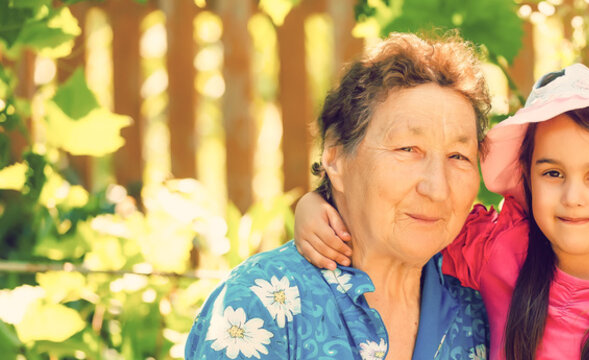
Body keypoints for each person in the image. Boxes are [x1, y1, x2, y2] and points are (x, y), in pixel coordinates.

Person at [295, 64, 589, 359]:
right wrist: (317, 203)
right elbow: (408, 224)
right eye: (553, 173)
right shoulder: (500, 251)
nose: (572, 196)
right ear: (528, 178)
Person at [185, 32, 491, 360]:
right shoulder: (262, 304)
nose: (437, 188)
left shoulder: (481, 306)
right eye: (408, 149)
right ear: (335, 159)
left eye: (459, 156)